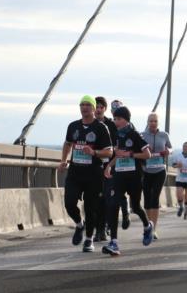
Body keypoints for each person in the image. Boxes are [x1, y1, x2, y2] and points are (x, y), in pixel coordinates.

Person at [60, 96, 114, 253]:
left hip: (93, 174)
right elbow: (68, 143)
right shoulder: (73, 126)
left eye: (88, 105)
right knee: (69, 203)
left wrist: (94, 152)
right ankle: (79, 224)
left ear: (93, 108)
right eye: (82, 105)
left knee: (90, 209)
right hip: (75, 172)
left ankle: (89, 239)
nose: (84, 107)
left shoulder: (101, 128)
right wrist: (63, 160)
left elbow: (109, 152)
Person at [102, 106, 152, 255]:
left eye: (118, 119)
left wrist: (130, 155)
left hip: (134, 176)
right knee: (113, 204)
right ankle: (114, 243)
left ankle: (147, 225)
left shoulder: (134, 134)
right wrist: (109, 166)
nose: (115, 121)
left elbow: (147, 154)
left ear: (126, 120)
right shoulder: (116, 135)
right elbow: (118, 155)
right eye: (114, 119)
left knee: (135, 207)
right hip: (119, 175)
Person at [140, 113, 171, 240]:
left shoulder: (164, 135)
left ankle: (154, 229)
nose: (153, 123)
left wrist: (169, 151)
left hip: (160, 170)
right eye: (151, 121)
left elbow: (170, 147)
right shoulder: (142, 135)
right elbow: (137, 150)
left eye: (155, 121)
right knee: (147, 198)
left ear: (158, 123)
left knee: (155, 197)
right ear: (147, 122)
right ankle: (148, 226)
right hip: (146, 171)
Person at [93, 96, 119, 241]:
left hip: (109, 167)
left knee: (107, 199)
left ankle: (103, 228)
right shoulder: (89, 124)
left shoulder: (111, 125)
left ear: (105, 109)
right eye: (96, 107)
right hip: (93, 166)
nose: (98, 110)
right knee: (96, 199)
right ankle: (99, 229)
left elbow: (116, 146)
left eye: (101, 107)